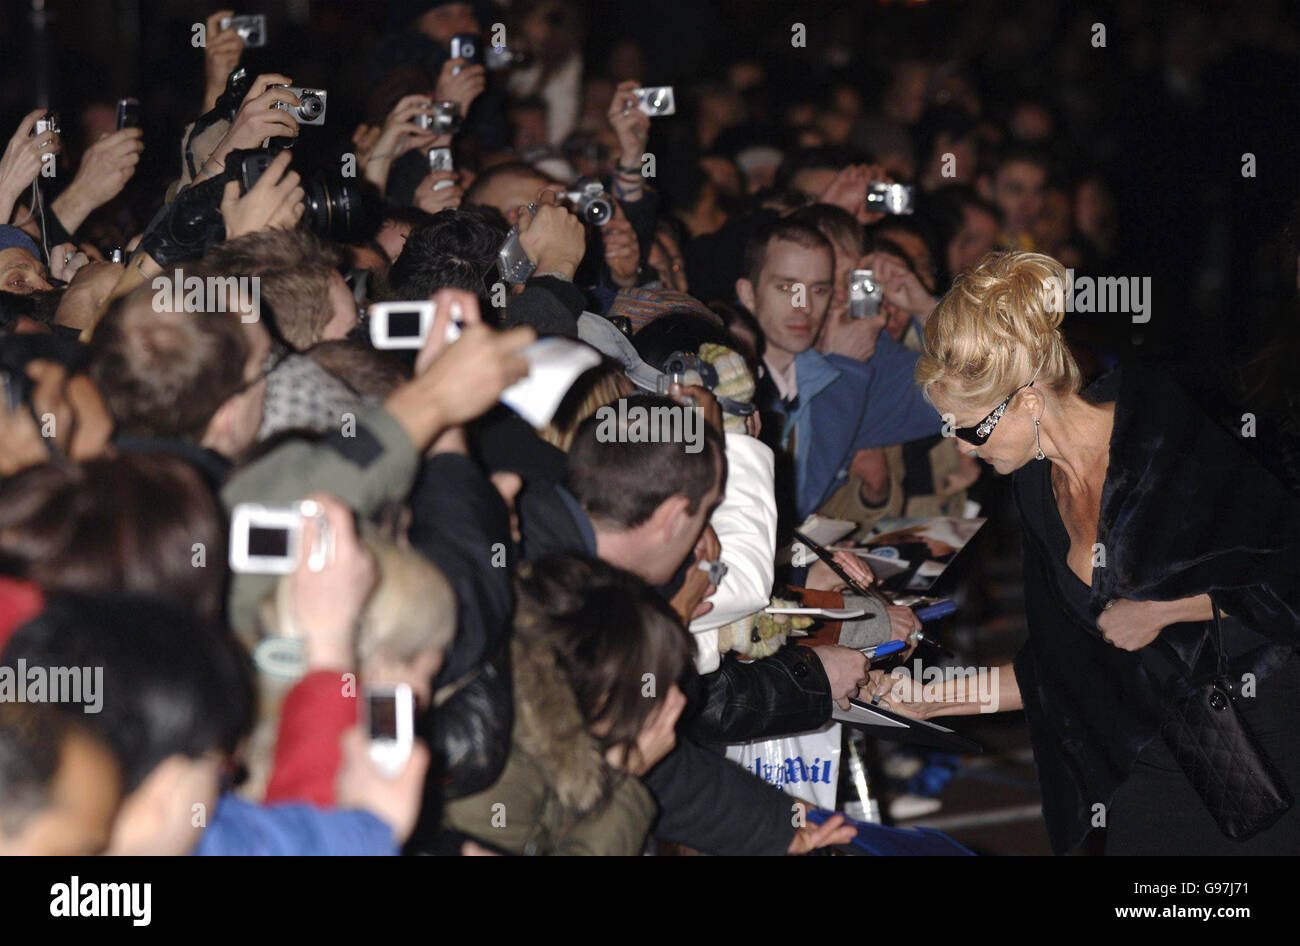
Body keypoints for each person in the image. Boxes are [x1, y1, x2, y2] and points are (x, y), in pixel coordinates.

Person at [870, 250, 1300, 854]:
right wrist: (925, 697)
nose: (962, 448)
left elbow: (1285, 580)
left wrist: (1166, 611)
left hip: (1252, 736)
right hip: (1148, 753)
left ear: (1025, 401)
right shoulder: (1035, 487)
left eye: (967, 428)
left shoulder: (1163, 441)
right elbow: (1056, 665)